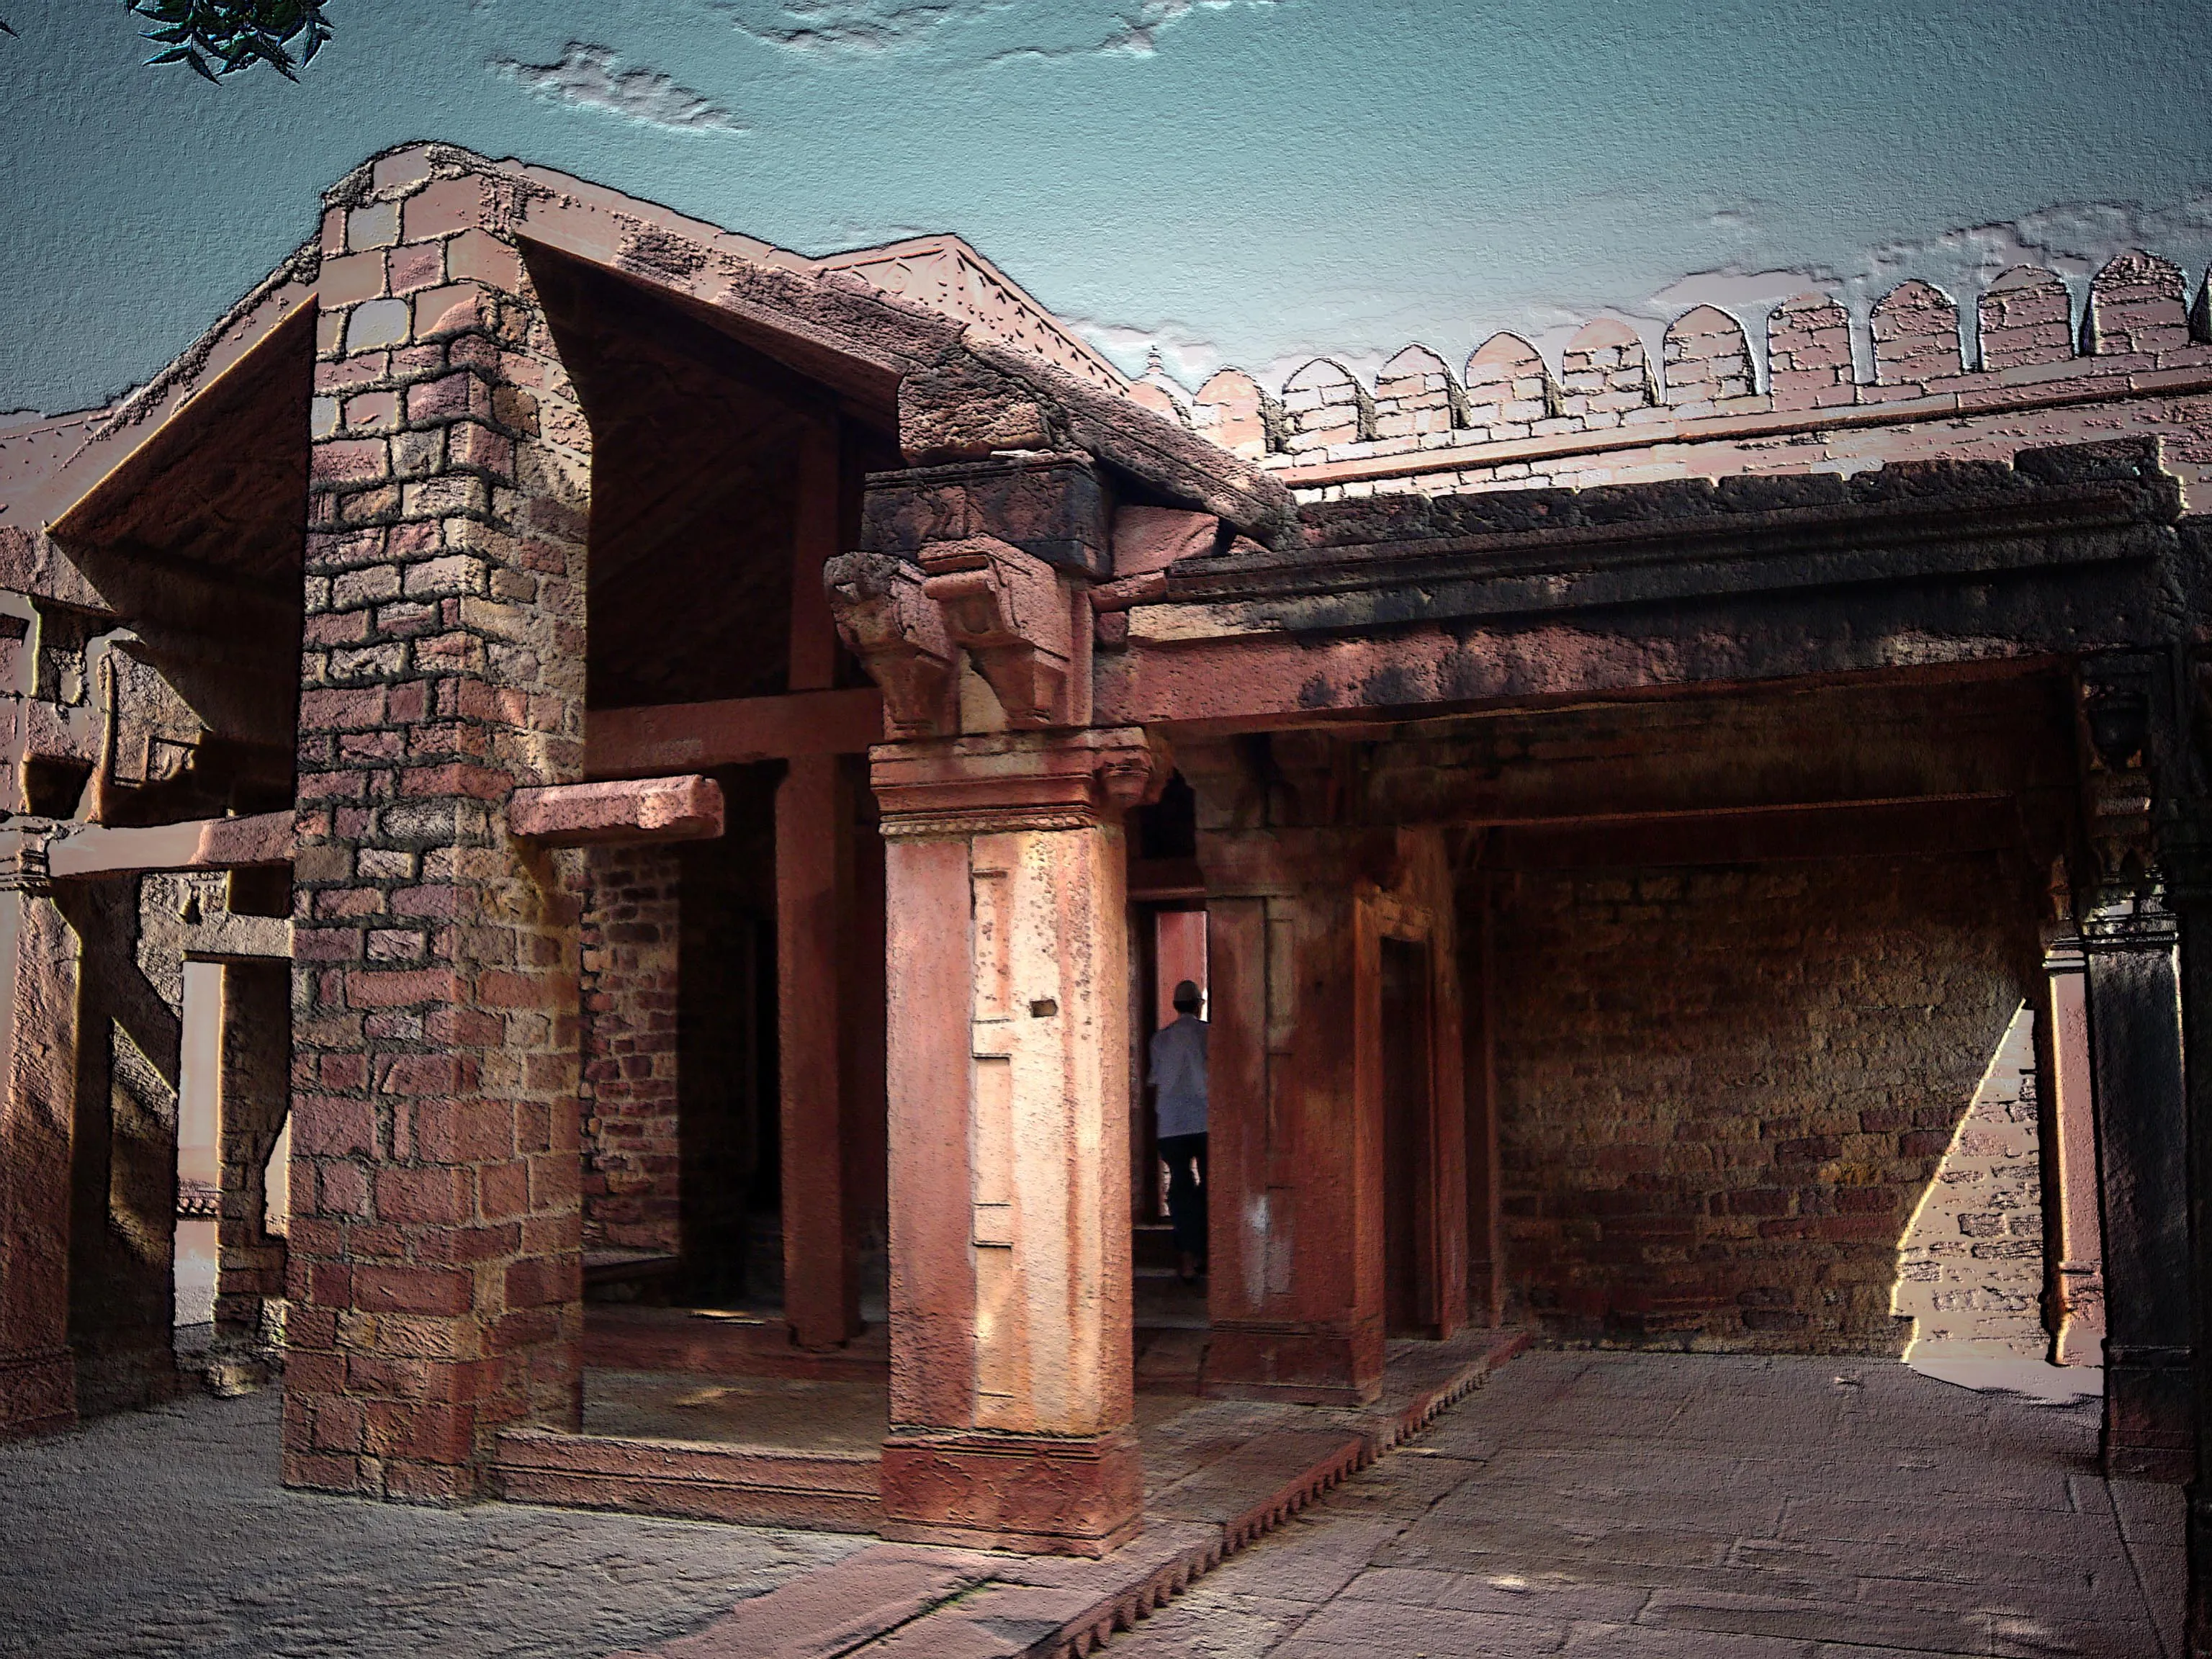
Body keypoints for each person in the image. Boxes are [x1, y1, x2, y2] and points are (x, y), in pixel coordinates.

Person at [1148, 979, 1209, 1284]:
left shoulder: (1161, 1040)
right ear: (1200, 1005)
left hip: (1171, 1126)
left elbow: (1156, 1081)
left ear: (1175, 1006)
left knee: (1181, 1187)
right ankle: (1206, 1252)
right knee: (1212, 1186)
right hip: (1207, 1122)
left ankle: (1187, 1256)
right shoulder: (1209, 1035)